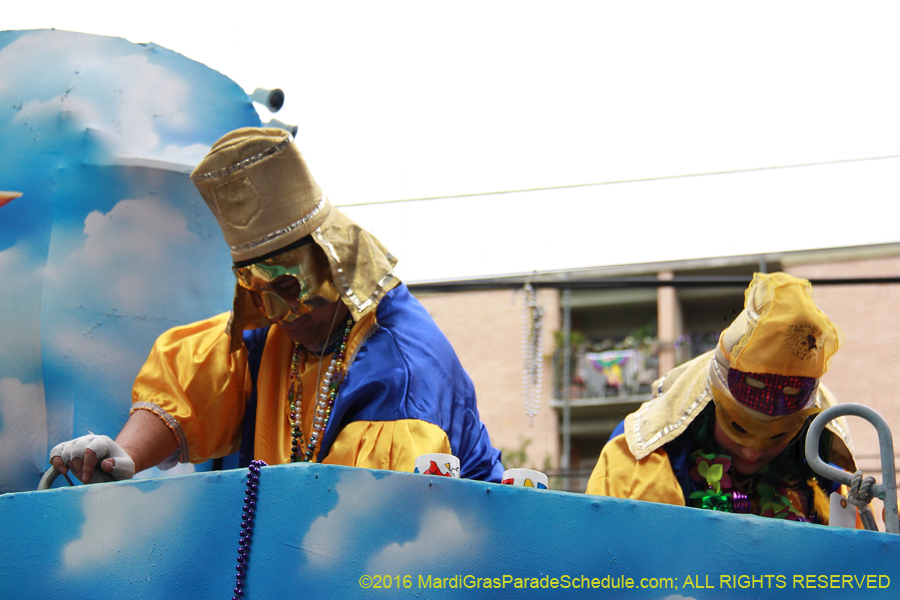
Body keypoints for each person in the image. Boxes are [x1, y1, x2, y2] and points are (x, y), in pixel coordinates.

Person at [50, 127, 504, 484]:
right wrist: (125, 455)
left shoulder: (401, 373)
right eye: (257, 293)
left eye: (289, 287)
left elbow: (365, 522)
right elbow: (195, 376)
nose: (281, 316)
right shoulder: (273, 329)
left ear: (335, 260)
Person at [586, 272, 862, 523]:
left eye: (776, 437)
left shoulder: (829, 474)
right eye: (737, 427)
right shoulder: (638, 460)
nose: (751, 451)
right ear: (713, 405)